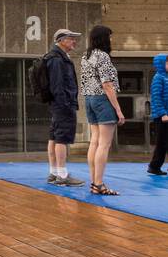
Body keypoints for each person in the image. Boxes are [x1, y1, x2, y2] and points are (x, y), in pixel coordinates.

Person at [81, 24, 125, 196]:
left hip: (89, 99)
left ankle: (94, 182)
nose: (111, 39)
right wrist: (119, 110)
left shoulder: (86, 56)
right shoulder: (104, 56)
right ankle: (99, 184)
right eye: (110, 36)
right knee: (104, 145)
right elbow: (107, 85)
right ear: (104, 38)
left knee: (95, 141)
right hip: (102, 100)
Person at [45, 28, 85, 186]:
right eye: (70, 39)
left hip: (59, 104)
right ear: (61, 40)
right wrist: (65, 104)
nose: (74, 41)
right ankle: (62, 175)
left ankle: (53, 173)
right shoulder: (57, 59)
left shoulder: (58, 57)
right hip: (62, 104)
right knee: (61, 138)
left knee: (54, 137)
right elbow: (57, 85)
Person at [148, 53, 168, 176]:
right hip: (162, 117)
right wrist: (163, 114)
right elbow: (156, 97)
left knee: (164, 142)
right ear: (161, 64)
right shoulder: (158, 78)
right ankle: (154, 166)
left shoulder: (166, 77)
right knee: (162, 142)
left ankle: (154, 166)